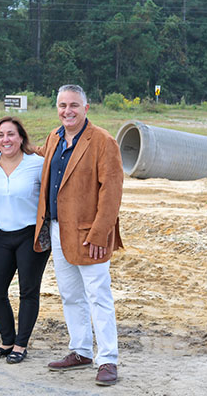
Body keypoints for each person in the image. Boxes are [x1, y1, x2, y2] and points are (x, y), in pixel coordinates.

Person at [33, 84, 123, 386]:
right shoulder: (55, 137)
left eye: (73, 105)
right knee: (71, 295)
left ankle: (107, 359)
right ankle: (81, 350)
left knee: (98, 295)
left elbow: (111, 192)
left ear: (86, 108)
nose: (67, 111)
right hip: (57, 229)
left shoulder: (102, 142)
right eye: (62, 105)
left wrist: (100, 234)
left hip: (89, 233)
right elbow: (40, 158)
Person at [0, 117, 51, 364]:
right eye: (0, 135)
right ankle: (6, 341)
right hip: (1, 235)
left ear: (21, 138)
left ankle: (20, 345)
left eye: (11, 134)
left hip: (30, 235)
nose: (5, 139)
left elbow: (53, 195)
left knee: (28, 291)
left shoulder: (37, 164)